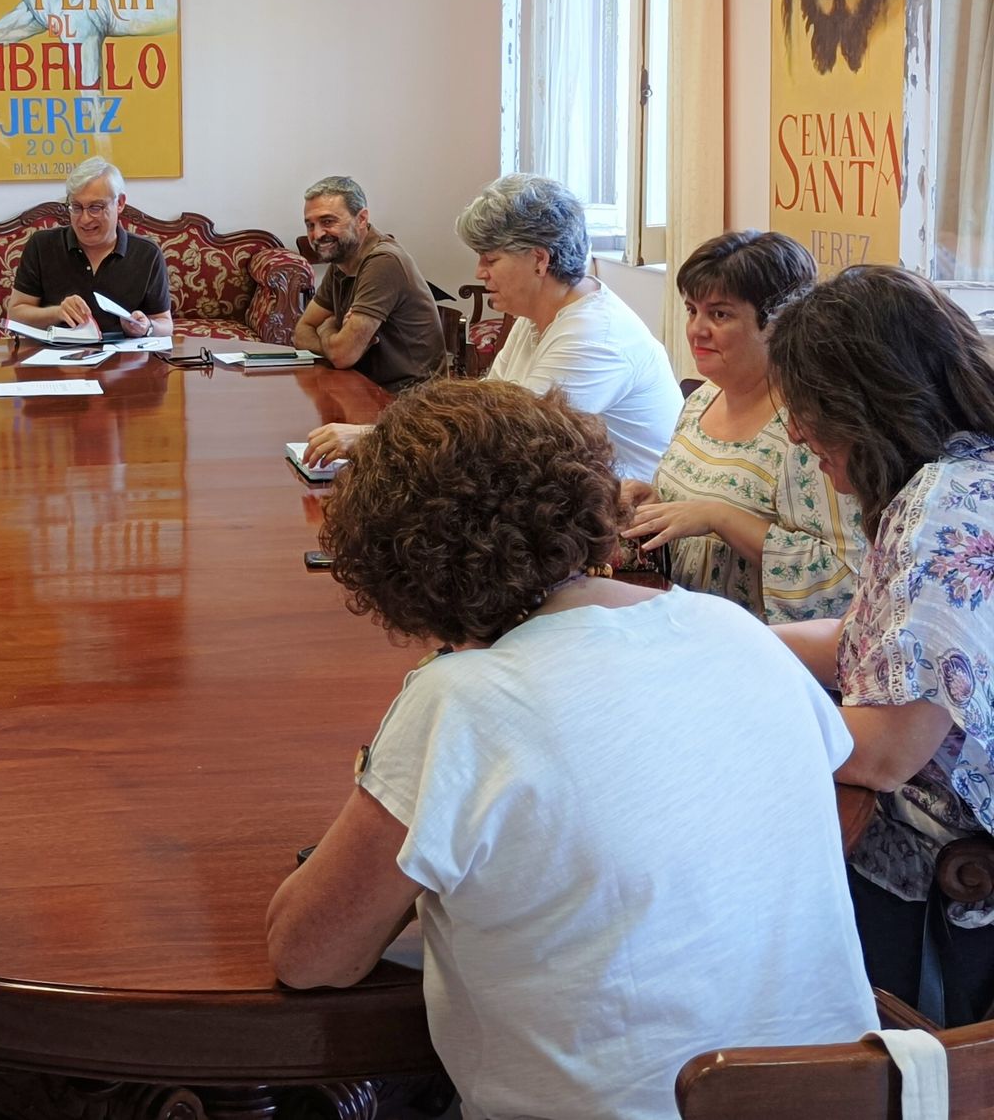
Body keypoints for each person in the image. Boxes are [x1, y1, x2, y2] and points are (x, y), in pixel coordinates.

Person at [268, 378, 877, 1120]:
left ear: (406, 571)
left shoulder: (462, 700)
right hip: (842, 1098)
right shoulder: (734, 629)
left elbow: (308, 954)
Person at [770, 266, 994, 1026]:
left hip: (949, 882)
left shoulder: (938, 511)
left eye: (805, 409)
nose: (796, 434)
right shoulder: (966, 472)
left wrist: (724, 708)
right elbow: (875, 644)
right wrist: (734, 642)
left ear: (864, 403)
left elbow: (885, 749)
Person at [304, 174, 681, 477]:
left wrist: (374, 437)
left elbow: (511, 441)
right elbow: (486, 405)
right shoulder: (537, 315)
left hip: (625, 522)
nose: (479, 273)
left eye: (490, 259)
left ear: (539, 260)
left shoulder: (593, 335)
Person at [621, 231, 865, 622]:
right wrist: (656, 503)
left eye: (720, 314)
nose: (697, 330)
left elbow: (843, 574)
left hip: (760, 650)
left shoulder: (811, 430)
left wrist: (720, 518)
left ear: (779, 323)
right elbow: (691, 516)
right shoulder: (702, 399)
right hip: (681, 623)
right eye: (691, 310)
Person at [292, 175, 445, 393]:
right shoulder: (342, 260)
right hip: (362, 388)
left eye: (328, 222)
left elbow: (343, 355)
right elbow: (301, 332)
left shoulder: (383, 261)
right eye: (310, 225)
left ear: (362, 219)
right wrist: (334, 334)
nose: (316, 235)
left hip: (408, 403)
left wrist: (326, 328)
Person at [6, 157, 173, 339]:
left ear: (120, 203)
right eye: (76, 207)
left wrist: (147, 327)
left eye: (96, 207)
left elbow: (165, 323)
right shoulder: (41, 245)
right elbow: (15, 315)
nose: (85, 219)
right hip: (55, 357)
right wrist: (57, 312)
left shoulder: (147, 254)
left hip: (123, 359)